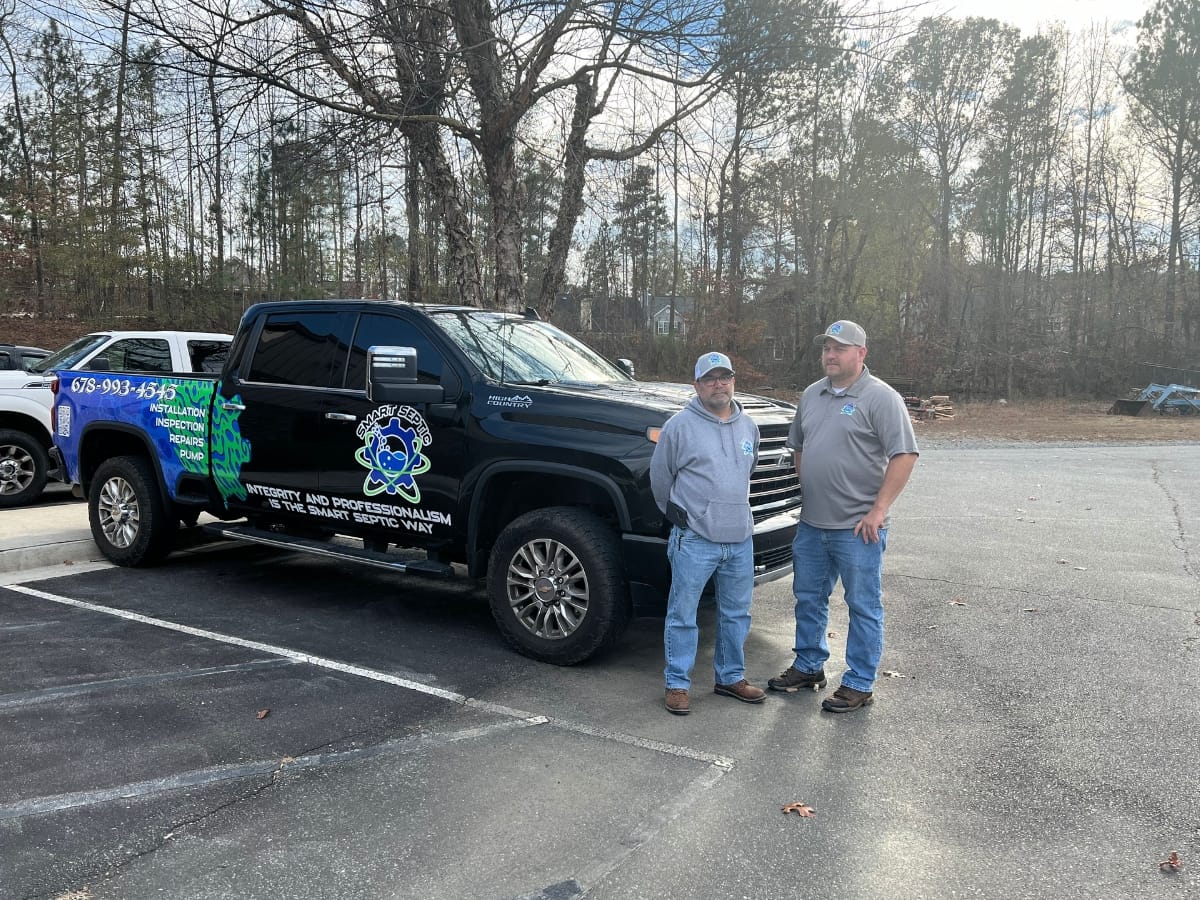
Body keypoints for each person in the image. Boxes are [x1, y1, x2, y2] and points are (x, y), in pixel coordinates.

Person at [769, 320, 919, 712]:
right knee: (808, 598)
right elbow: (799, 447)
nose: (831, 355)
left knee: (863, 605)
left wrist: (878, 510)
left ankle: (858, 682)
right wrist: (812, 487)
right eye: (826, 349)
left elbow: (904, 455)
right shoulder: (811, 395)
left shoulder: (880, 398)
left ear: (861, 353)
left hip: (857, 529)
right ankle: (808, 665)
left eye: (840, 348)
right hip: (812, 524)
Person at [650, 351, 766, 716]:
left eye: (725, 376)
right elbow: (660, 478)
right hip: (695, 539)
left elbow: (749, 470)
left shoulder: (749, 427)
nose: (720, 384)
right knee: (683, 614)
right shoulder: (679, 426)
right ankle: (677, 684)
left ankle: (730, 677)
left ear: (733, 380)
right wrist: (683, 518)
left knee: (736, 614)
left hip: (740, 539)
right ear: (697, 385)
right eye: (711, 378)